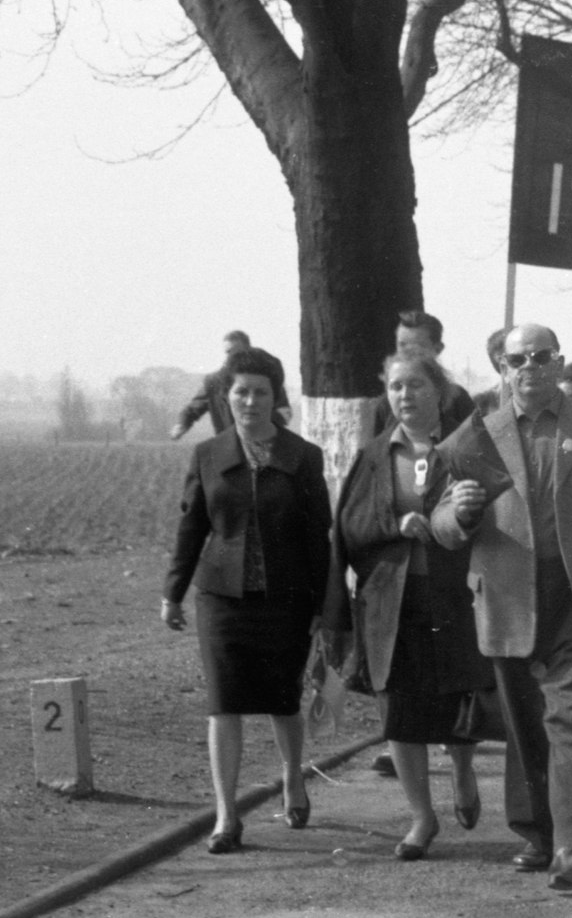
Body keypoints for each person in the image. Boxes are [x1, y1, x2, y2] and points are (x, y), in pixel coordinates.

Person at [429, 324, 572, 891]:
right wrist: (459, 511)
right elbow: (440, 526)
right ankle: (538, 832)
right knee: (527, 722)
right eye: (518, 359)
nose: (531, 367)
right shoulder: (476, 435)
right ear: (502, 368)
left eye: (542, 356)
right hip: (509, 595)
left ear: (559, 362)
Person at [161, 347, 331, 854]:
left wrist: (325, 606)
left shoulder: (303, 456)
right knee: (223, 706)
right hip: (222, 601)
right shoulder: (208, 455)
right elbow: (191, 526)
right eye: (240, 391)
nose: (250, 401)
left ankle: (292, 778)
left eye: (260, 391)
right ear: (225, 396)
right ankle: (226, 816)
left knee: (284, 701)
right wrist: (172, 593)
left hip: (287, 599)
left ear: (275, 396)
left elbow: (316, 537)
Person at [333, 353, 489, 860]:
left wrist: (466, 514)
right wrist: (392, 528)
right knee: (399, 712)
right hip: (391, 606)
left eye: (416, 385)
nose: (406, 396)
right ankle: (422, 818)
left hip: (456, 599)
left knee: (458, 701)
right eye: (397, 386)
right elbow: (349, 531)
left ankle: (463, 773)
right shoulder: (375, 456)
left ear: (439, 391)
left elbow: (502, 518)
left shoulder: (467, 448)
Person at [367, 310, 477, 437]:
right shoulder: (386, 406)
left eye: (417, 347)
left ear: (438, 349)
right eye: (402, 345)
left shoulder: (458, 400)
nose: (408, 354)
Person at [171, 331, 292, 438]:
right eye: (227, 352)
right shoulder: (214, 382)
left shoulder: (267, 378)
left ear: (248, 350)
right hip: (227, 448)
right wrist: (182, 424)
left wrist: (256, 426)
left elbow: (283, 412)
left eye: (235, 351)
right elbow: (193, 408)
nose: (230, 357)